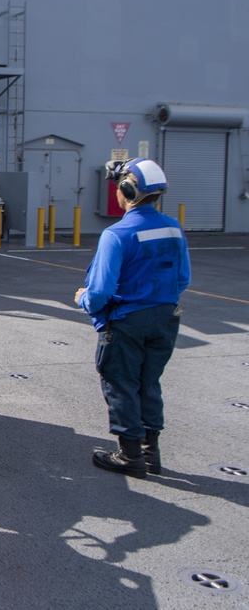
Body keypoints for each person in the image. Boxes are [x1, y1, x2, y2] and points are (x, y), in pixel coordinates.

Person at [74, 157, 190, 479]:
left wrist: (83, 298)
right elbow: (183, 279)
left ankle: (129, 456)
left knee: (121, 382)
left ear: (127, 190)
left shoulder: (117, 234)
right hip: (166, 318)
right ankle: (151, 452)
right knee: (148, 381)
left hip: (127, 322)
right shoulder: (173, 228)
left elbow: (100, 292)